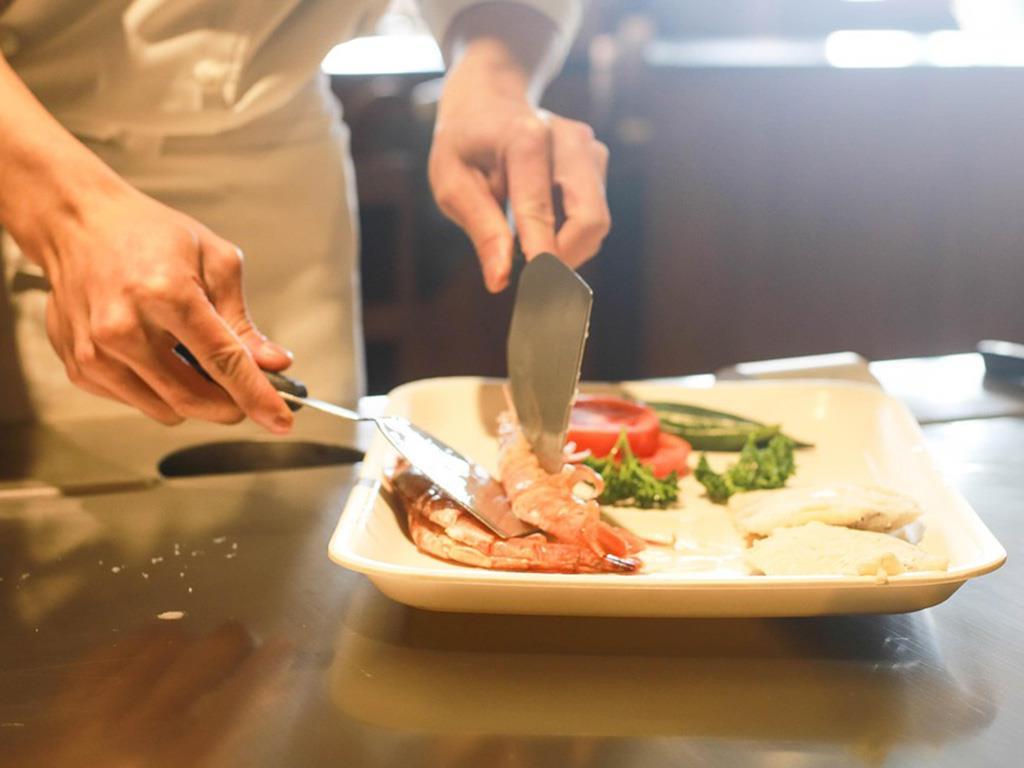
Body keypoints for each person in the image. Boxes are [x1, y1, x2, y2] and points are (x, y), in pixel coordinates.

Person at [0, 0, 610, 432]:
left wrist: (495, 77)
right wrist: (66, 214)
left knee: (309, 521)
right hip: (33, 153)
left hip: (283, 173)